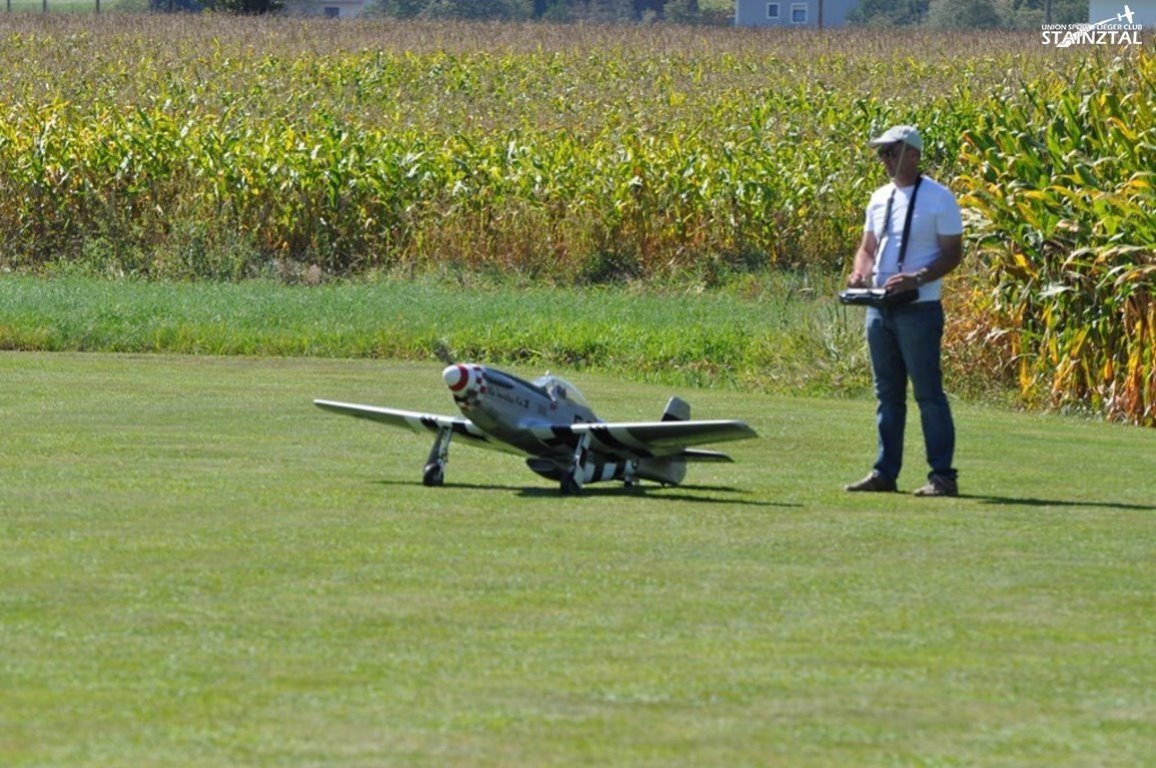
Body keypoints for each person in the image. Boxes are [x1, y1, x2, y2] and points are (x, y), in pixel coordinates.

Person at [844, 125, 964, 497]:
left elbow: (953, 252)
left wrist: (918, 277)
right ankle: (885, 473)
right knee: (887, 395)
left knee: (929, 395)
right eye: (882, 153)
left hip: (919, 308)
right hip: (879, 308)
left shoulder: (939, 198)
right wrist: (859, 273)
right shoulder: (879, 198)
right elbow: (867, 248)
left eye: (892, 152)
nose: (885, 160)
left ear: (913, 153)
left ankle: (943, 477)